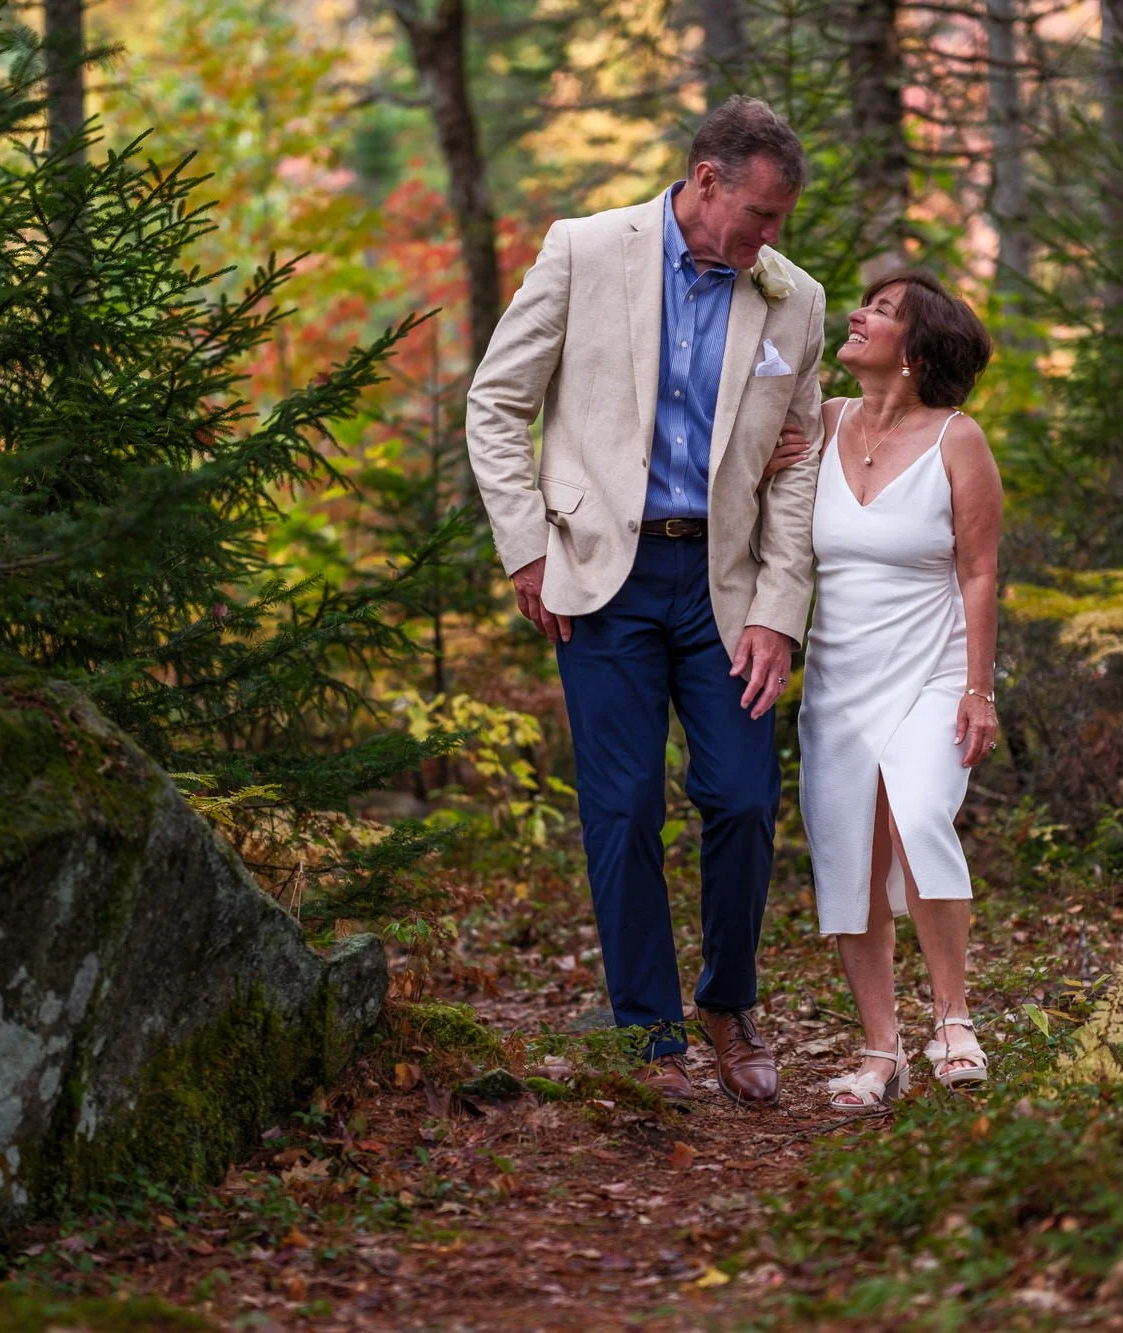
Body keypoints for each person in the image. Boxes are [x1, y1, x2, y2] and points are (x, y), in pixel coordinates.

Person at [465, 98, 827, 1105]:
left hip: (729, 587)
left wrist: (777, 609)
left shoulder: (794, 300)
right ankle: (646, 1034)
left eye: (779, 222)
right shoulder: (584, 250)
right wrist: (526, 544)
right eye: (758, 215)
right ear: (705, 182)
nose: (768, 239)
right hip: (600, 582)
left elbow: (793, 469)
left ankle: (727, 998)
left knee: (744, 798)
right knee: (621, 809)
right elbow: (496, 400)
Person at [777, 270, 1001, 1110]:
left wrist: (978, 690)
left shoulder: (957, 440)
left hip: (934, 671)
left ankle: (954, 1022)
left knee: (918, 815)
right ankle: (880, 1050)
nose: (860, 314)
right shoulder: (825, 420)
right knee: (846, 855)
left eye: (883, 310)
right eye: (866, 303)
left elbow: (979, 573)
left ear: (916, 348)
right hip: (840, 676)